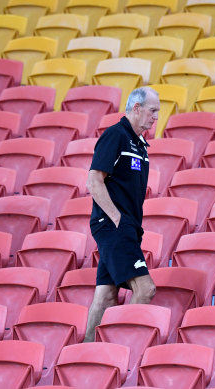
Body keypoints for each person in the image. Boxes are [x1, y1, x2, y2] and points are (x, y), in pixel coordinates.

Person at [84, 87, 160, 342]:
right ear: (136, 108)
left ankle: (86, 353)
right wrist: (117, 219)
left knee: (105, 296)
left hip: (125, 228)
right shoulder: (115, 136)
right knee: (146, 289)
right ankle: (121, 351)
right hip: (115, 227)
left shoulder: (140, 145)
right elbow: (94, 181)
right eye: (153, 111)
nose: (156, 117)